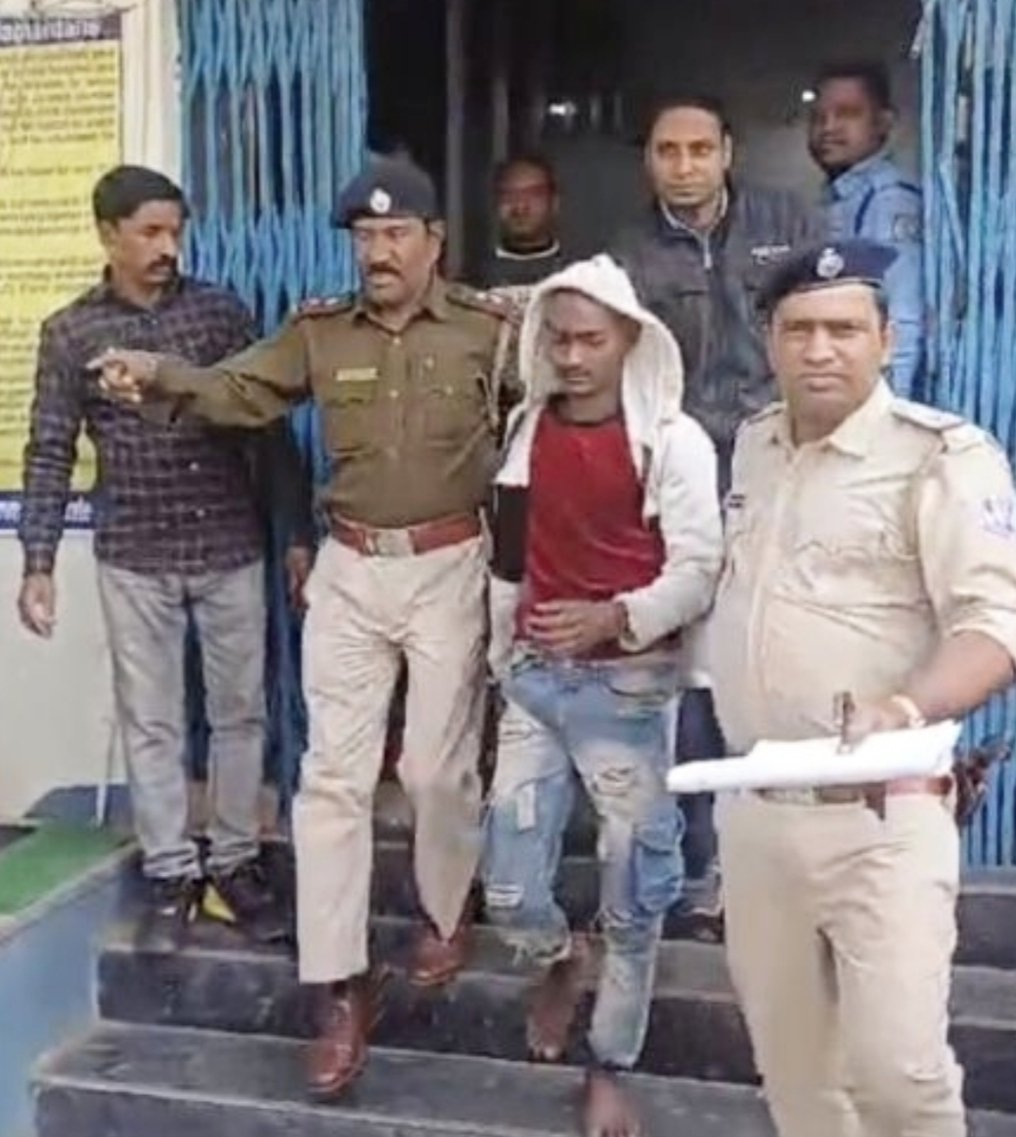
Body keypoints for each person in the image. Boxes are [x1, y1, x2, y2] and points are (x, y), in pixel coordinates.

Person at [89, 156, 519, 1101]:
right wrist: (158, 374)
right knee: (331, 781)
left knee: (436, 767)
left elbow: (548, 420)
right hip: (351, 565)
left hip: (451, 561)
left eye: (395, 235)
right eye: (365, 238)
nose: (378, 252)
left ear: (434, 241)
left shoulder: (490, 331)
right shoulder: (320, 331)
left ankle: (447, 908)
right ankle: (338, 980)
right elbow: (241, 391)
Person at [706, 238, 1016, 1137]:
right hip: (758, 812)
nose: (820, 349)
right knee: (798, 1080)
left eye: (844, 329)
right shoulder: (755, 446)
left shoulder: (941, 456)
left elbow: (995, 626)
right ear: (770, 341)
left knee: (898, 1073)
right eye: (799, 329)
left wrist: (903, 708)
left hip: (881, 814)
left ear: (886, 339)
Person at [18, 164, 291, 951]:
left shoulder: (218, 314)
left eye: (175, 231)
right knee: (153, 721)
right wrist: (38, 562)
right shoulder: (71, 332)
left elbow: (265, 426)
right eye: (150, 232)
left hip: (228, 543)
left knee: (240, 713)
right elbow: (49, 448)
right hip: (135, 552)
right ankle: (171, 873)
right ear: (109, 235)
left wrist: (296, 535)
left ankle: (235, 862)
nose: (168, 246)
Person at [483, 254, 722, 1137]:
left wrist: (614, 617)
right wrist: (502, 652)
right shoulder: (525, 428)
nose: (574, 357)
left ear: (629, 340)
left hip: (629, 690)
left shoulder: (672, 440)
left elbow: (699, 567)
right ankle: (557, 957)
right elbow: (510, 555)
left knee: (634, 891)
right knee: (509, 888)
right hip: (534, 684)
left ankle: (610, 1062)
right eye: (560, 339)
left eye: (592, 340)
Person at [611, 95, 824, 926]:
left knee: (780, 655)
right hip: (685, 478)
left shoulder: (787, 224)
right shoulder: (629, 253)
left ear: (728, 151)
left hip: (781, 462)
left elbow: (825, 331)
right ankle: (702, 860)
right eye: (668, 150)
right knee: (695, 673)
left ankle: (779, 860)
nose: (685, 166)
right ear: (649, 161)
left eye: (700, 149)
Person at [809, 60, 924, 399]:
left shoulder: (888, 198)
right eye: (818, 117)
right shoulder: (840, 197)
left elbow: (902, 313)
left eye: (847, 114)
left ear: (883, 123)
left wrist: (892, 408)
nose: (828, 127)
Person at [479, 154, 570, 305]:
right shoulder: (472, 278)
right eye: (509, 196)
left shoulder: (580, 277)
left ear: (554, 202)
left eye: (533, 195)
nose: (520, 207)